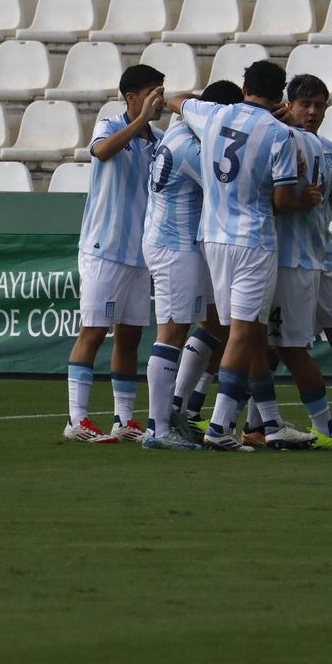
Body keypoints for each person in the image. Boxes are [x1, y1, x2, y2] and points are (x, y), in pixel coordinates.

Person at [167, 60, 317, 452]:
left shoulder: (213, 113)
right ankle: (219, 426)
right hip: (253, 239)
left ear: (245, 85)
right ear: (281, 94)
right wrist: (302, 195)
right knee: (246, 331)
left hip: (212, 236)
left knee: (239, 331)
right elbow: (283, 201)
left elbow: (174, 99)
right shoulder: (280, 134)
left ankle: (261, 421)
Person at [256, 74, 332, 450]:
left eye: (319, 105)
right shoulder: (275, 139)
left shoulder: (326, 147)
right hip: (287, 259)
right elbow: (267, 197)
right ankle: (310, 427)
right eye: (304, 104)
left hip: (323, 257)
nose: (312, 111)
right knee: (282, 346)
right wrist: (293, 198)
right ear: (288, 105)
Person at [138, 79, 245, 451]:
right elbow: (227, 184)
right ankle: (157, 426)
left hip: (181, 243)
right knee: (170, 331)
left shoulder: (182, 132)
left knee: (212, 324)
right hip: (173, 246)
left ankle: (176, 409)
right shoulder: (189, 147)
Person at [63, 65, 165, 444]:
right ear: (132, 98)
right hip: (104, 247)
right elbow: (102, 152)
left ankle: (123, 419)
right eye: (153, 92)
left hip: (140, 253)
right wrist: (139, 121)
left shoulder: (159, 140)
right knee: (93, 331)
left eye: (162, 92)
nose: (160, 100)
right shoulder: (108, 125)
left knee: (130, 336)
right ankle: (77, 419)